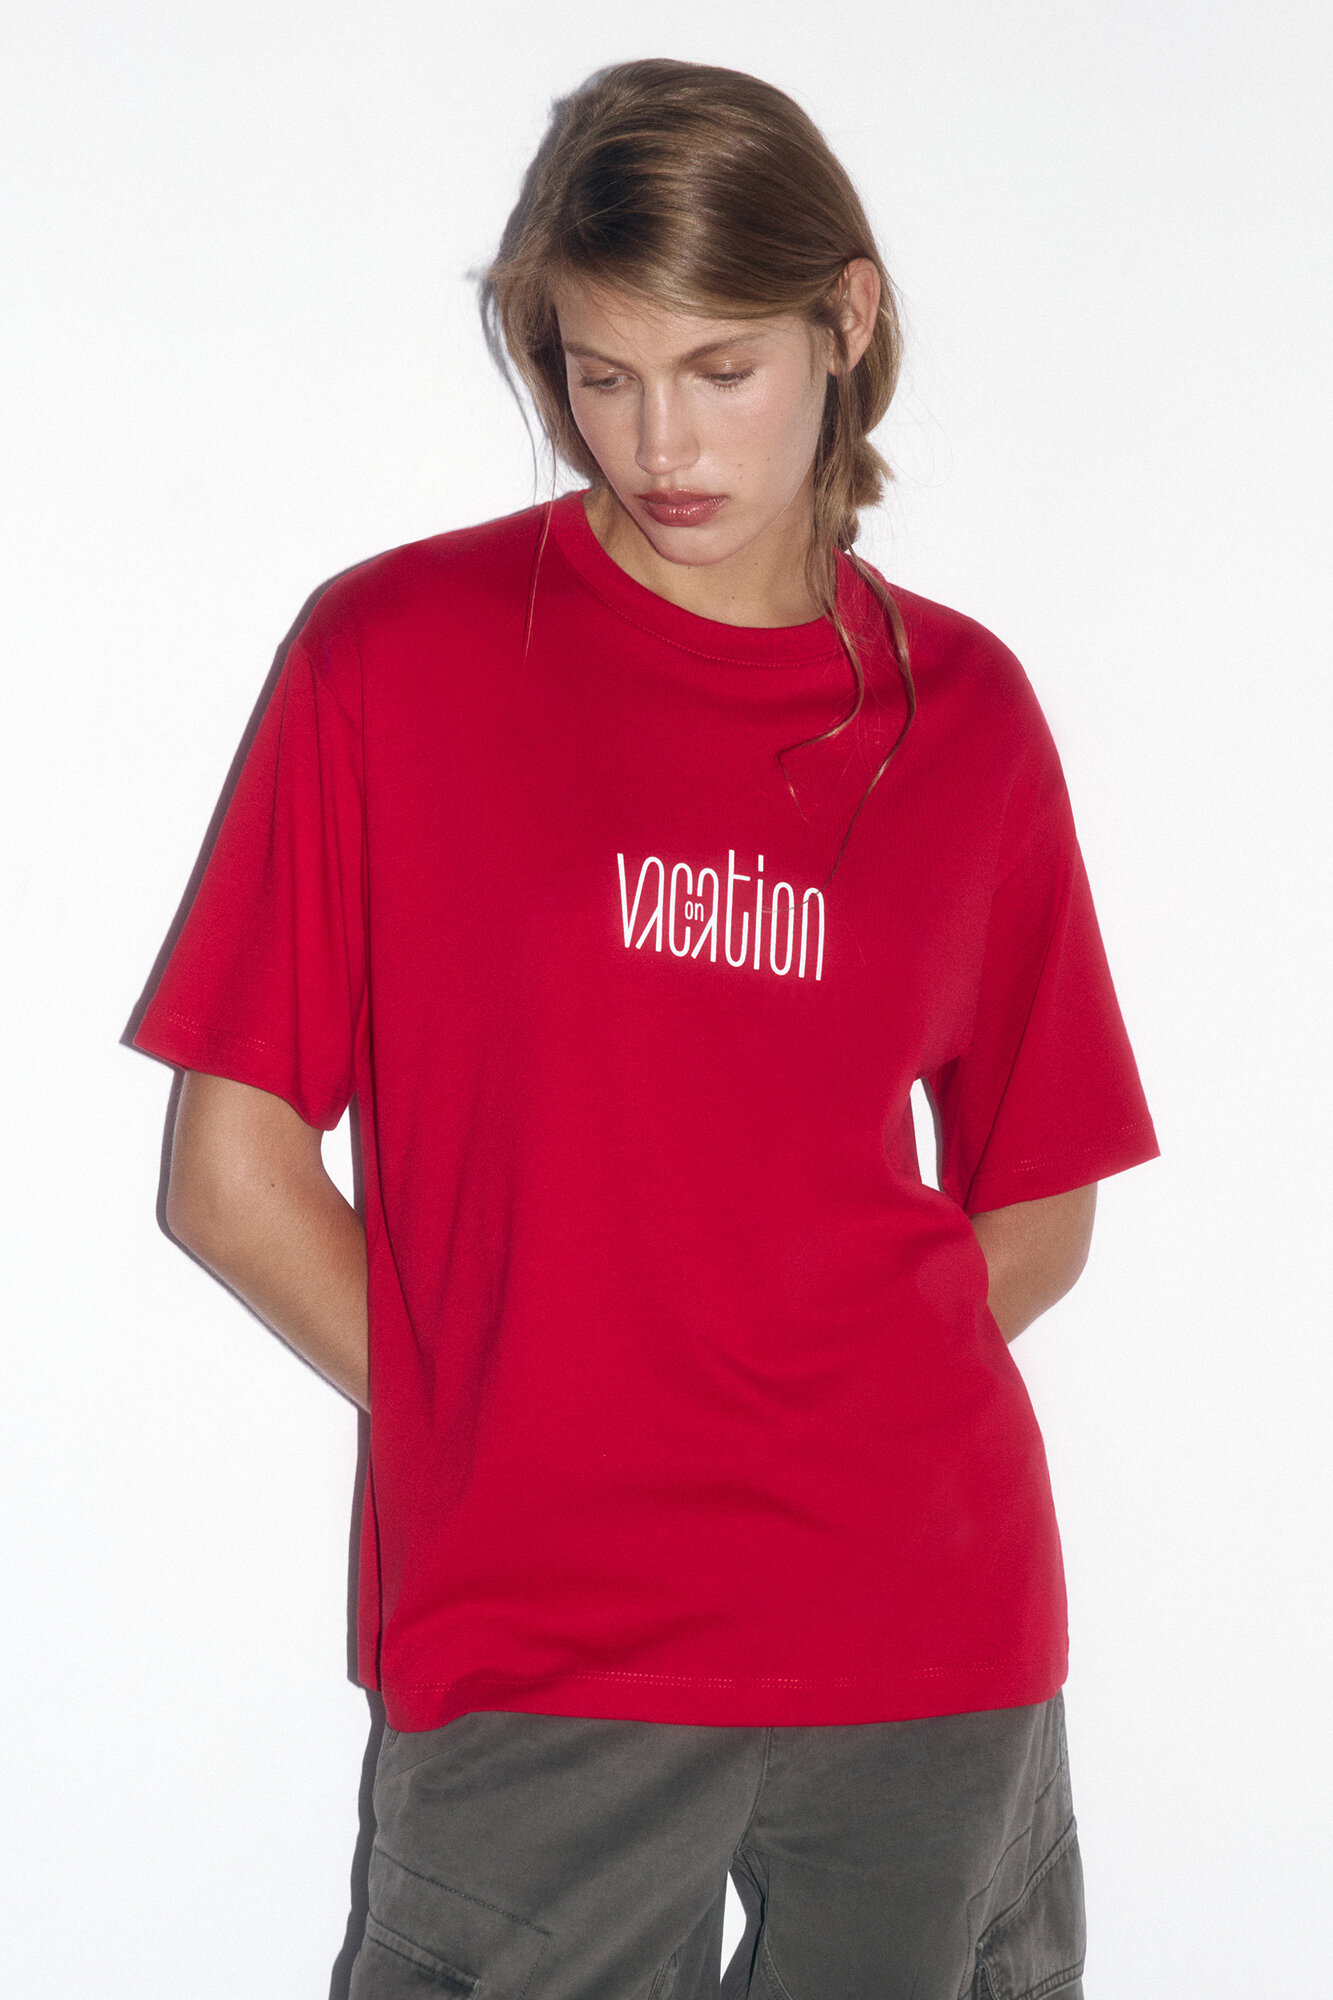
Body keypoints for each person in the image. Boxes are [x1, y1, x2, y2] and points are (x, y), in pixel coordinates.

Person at [132, 57, 1159, 2000]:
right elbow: (231, 1176)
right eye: (599, 376)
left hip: (924, 1626)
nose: (655, 441)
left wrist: (810, 1416)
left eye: (717, 369)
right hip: (547, 1637)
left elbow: (1038, 1198)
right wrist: (526, 1432)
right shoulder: (398, 657)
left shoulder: (963, 714)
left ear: (843, 319)